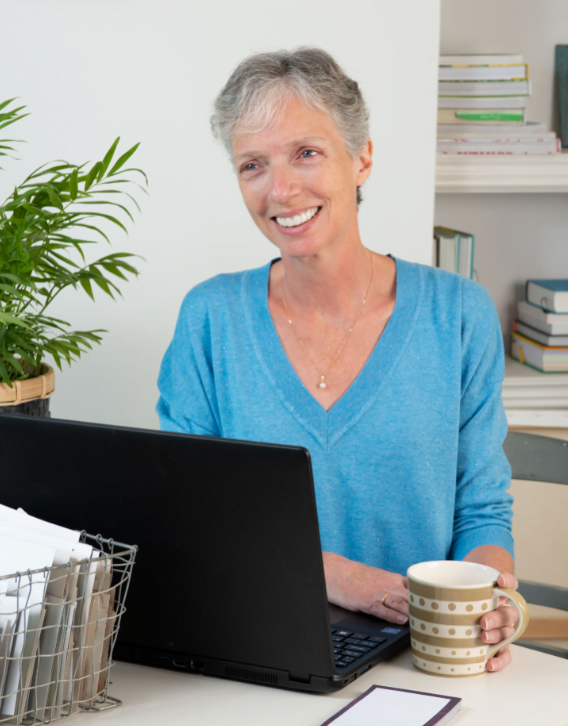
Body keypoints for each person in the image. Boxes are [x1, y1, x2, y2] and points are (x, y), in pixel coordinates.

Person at [157, 47, 519, 672]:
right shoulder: (209, 318)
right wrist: (333, 575)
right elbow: (191, 520)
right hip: (252, 655)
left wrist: (489, 601)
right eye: (253, 164)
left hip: (416, 660)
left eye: (306, 152)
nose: (281, 189)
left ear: (362, 158)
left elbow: (481, 510)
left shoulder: (458, 315)